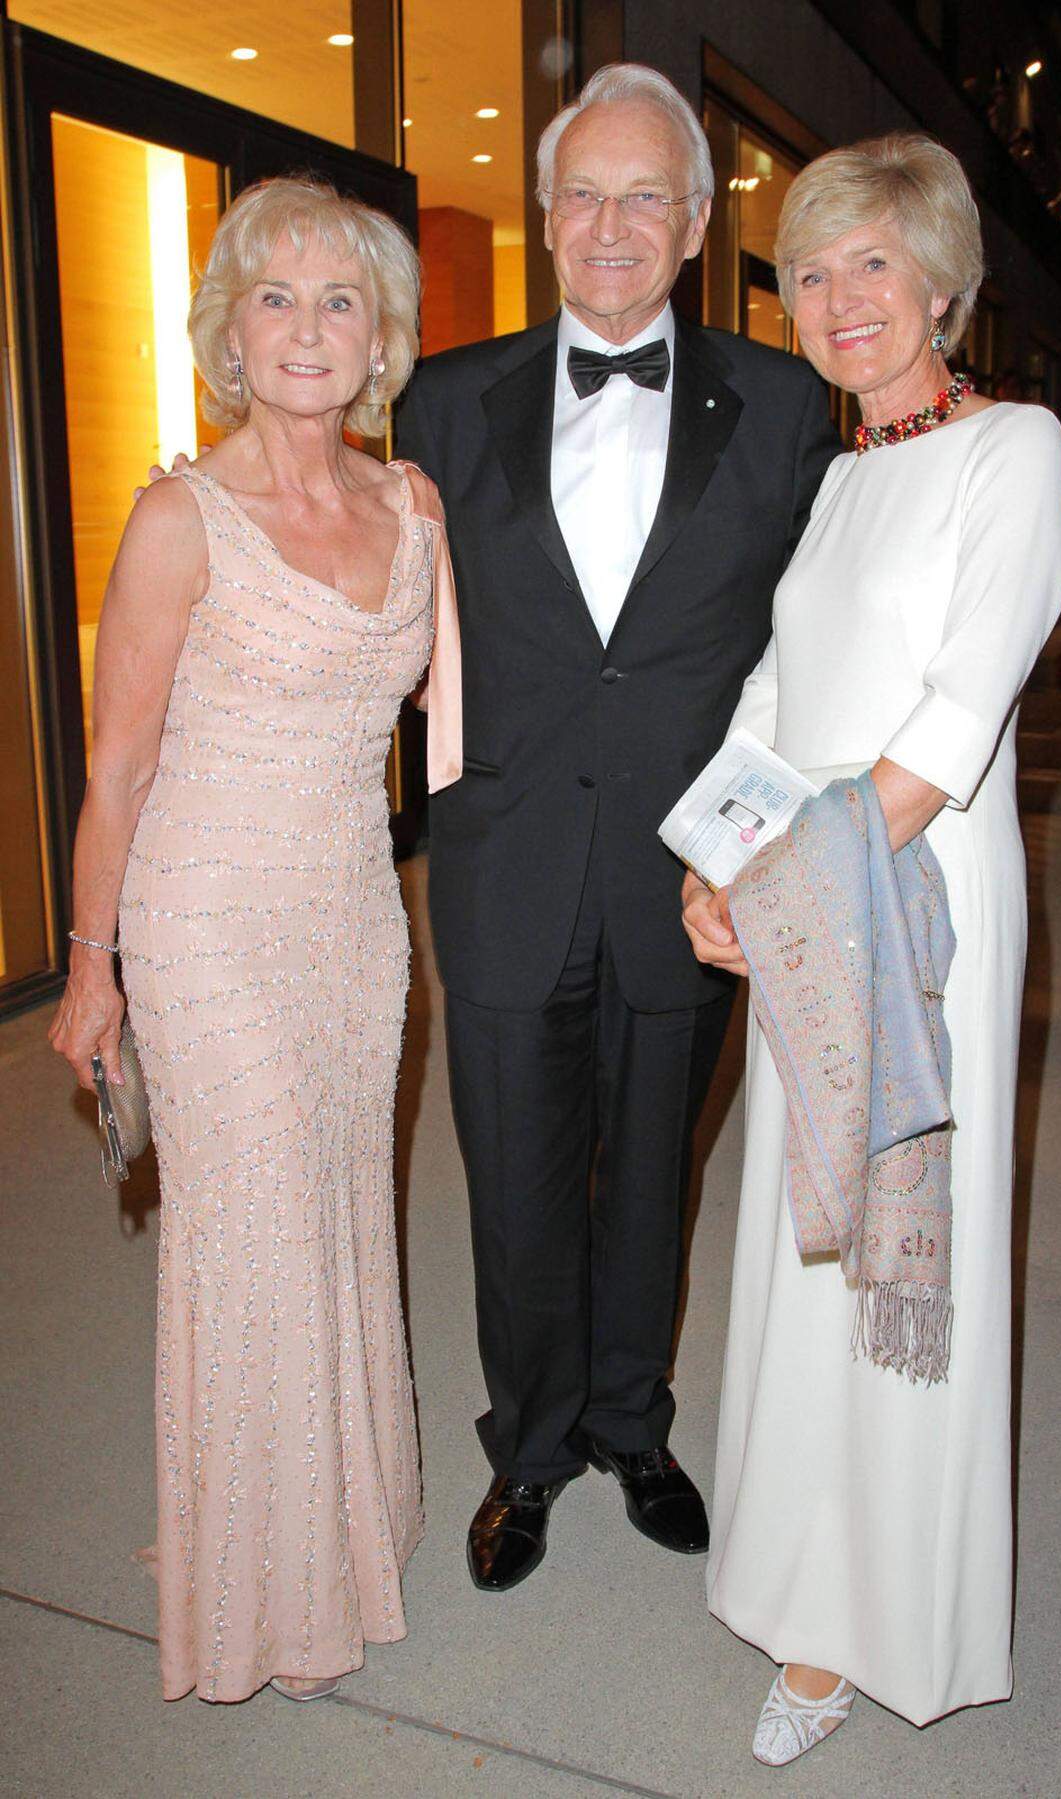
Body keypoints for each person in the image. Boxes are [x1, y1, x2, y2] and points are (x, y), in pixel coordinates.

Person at [391, 63, 1061, 1594]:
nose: (614, 222)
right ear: (548, 213)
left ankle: (634, 1419)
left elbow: (833, 624)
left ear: (702, 223)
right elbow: (357, 557)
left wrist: (735, 853)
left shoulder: (793, 411)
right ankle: (532, 1441)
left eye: (650, 194)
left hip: (699, 872)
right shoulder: (443, 396)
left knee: (658, 1167)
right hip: (507, 863)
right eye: (586, 192)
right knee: (513, 1174)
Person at [682, 134, 1061, 1762]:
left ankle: (870, 1623)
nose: (841, 298)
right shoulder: (843, 479)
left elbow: (954, 713)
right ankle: (795, 1583)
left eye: (873, 265)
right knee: (801, 1237)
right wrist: (714, 866)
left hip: (921, 898)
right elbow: (779, 695)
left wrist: (786, 879)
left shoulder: (1019, 452)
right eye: (814, 268)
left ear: (940, 283)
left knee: (901, 1247)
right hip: (807, 889)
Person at [49, 175, 460, 1703]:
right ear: (231, 329)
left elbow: (467, 716)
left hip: (355, 917)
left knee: (345, 1208)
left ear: (381, 338)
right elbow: (117, 768)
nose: (306, 328)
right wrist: (94, 965)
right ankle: (256, 1589)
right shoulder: (177, 518)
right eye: (274, 298)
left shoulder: (410, 506)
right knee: (259, 1228)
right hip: (205, 915)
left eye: (338, 300)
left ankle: (337, 1533)